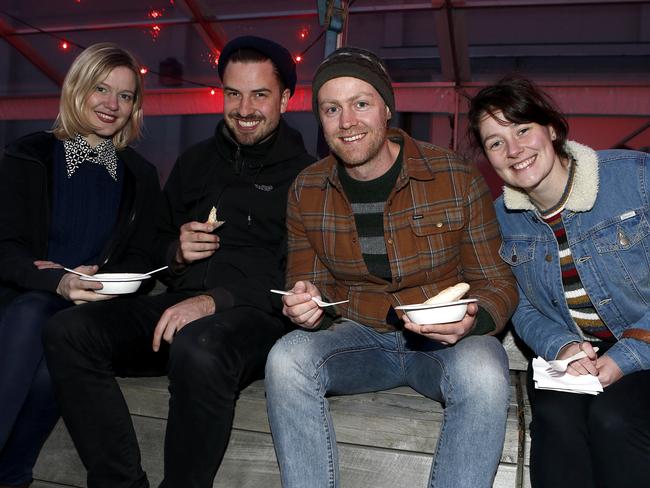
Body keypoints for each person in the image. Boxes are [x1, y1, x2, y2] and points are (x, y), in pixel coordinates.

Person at [43, 36, 315, 488]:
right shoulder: (195, 162)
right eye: (233, 93)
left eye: (260, 94)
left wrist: (213, 300)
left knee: (200, 348)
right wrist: (176, 250)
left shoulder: (307, 176)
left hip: (256, 317)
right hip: (179, 304)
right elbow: (156, 243)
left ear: (285, 99)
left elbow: (297, 272)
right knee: (68, 330)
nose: (244, 107)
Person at [264, 46, 518, 488]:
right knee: (286, 359)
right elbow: (308, 282)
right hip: (359, 337)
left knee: (483, 372)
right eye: (332, 109)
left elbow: (497, 282)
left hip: (443, 345)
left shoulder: (454, 175)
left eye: (361, 103)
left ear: (386, 108)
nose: (347, 122)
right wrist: (305, 303)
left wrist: (472, 323)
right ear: (320, 120)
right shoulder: (307, 188)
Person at [467, 75, 650, 488]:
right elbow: (521, 303)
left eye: (522, 129)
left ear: (550, 128)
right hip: (579, 357)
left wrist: (628, 357)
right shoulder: (501, 219)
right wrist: (562, 346)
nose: (514, 150)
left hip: (644, 343)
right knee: (555, 420)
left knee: (615, 419)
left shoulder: (636, 179)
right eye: (496, 142)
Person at [0, 43, 160, 488]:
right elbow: (5, 247)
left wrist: (101, 281)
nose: (112, 104)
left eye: (125, 96)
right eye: (101, 89)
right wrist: (54, 280)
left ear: (134, 107)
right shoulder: (28, 155)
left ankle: (12, 473)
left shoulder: (140, 176)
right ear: (76, 89)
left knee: (66, 343)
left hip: (89, 310)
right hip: (19, 303)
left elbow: (143, 256)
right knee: (38, 316)